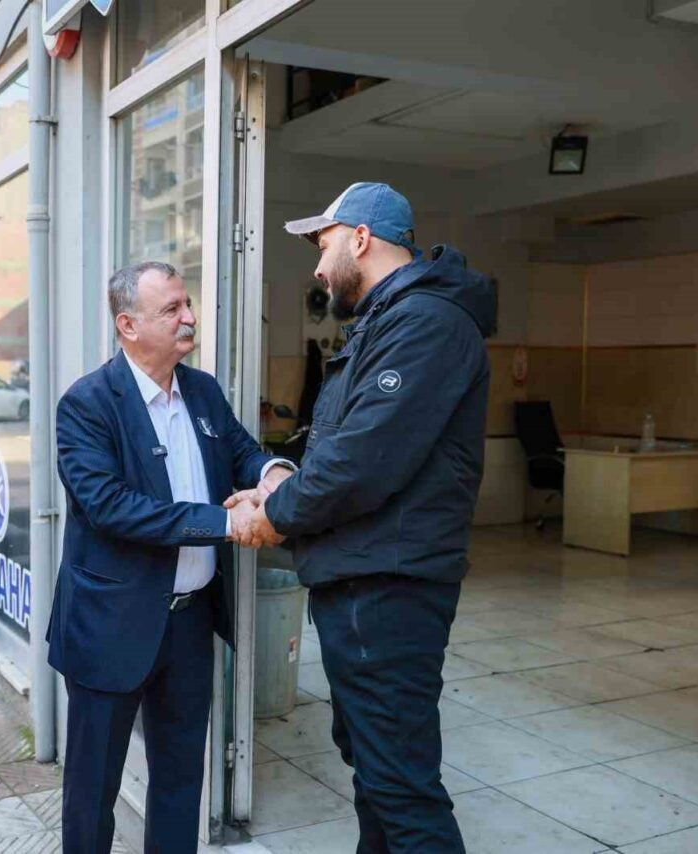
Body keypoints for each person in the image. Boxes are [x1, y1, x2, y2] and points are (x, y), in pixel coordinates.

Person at [230, 183, 494, 853]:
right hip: (364, 580)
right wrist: (277, 486)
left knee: (401, 788)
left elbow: (364, 459)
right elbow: (342, 445)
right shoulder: (390, 320)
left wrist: (275, 516)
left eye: (323, 246)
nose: (319, 268)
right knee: (376, 771)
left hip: (388, 590)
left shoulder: (426, 324)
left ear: (361, 237)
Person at [49, 261, 294, 853]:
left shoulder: (202, 390)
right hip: (110, 626)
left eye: (187, 304)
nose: (190, 317)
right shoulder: (87, 404)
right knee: (92, 790)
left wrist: (275, 474)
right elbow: (111, 507)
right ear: (128, 325)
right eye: (172, 309)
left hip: (188, 625)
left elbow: (242, 452)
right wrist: (227, 523)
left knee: (182, 781)